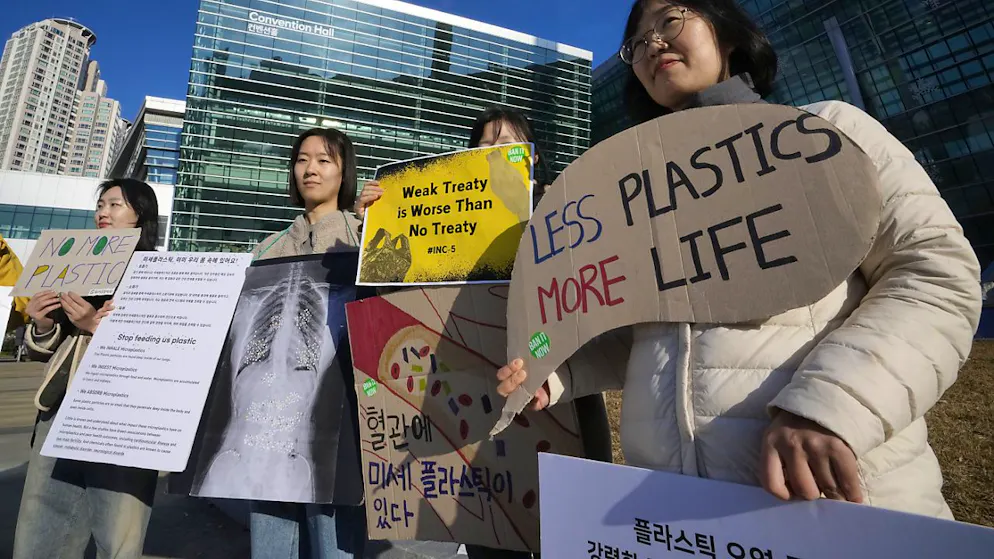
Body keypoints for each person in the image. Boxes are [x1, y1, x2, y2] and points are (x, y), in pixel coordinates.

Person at [494, 0, 981, 520]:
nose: (652, 43)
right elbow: (639, 331)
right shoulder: (636, 195)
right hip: (671, 514)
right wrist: (557, 370)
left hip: (840, 502)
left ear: (725, 34)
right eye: (636, 42)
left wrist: (827, 409)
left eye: (669, 20)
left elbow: (935, 274)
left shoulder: (824, 134)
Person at [356, 107, 615, 558]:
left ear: (532, 158)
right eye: (483, 145)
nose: (493, 151)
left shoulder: (566, 208)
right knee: (494, 538)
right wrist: (378, 224)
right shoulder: (445, 220)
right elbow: (399, 298)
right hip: (482, 400)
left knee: (574, 534)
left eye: (507, 143)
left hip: (560, 391)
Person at [14, 178, 162, 559]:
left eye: (115, 205)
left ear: (139, 216)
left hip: (122, 416)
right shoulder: (77, 263)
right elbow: (47, 347)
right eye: (101, 205)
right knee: (43, 521)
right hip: (59, 410)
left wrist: (97, 325)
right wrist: (43, 323)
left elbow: (163, 347)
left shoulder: (158, 273)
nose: (103, 213)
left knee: (119, 530)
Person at [247, 127, 366, 559]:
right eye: (302, 159)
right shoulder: (268, 248)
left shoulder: (364, 237)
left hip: (338, 418)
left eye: (324, 159)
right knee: (271, 542)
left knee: (333, 542)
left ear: (344, 171)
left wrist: (357, 220)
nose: (310, 168)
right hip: (268, 421)